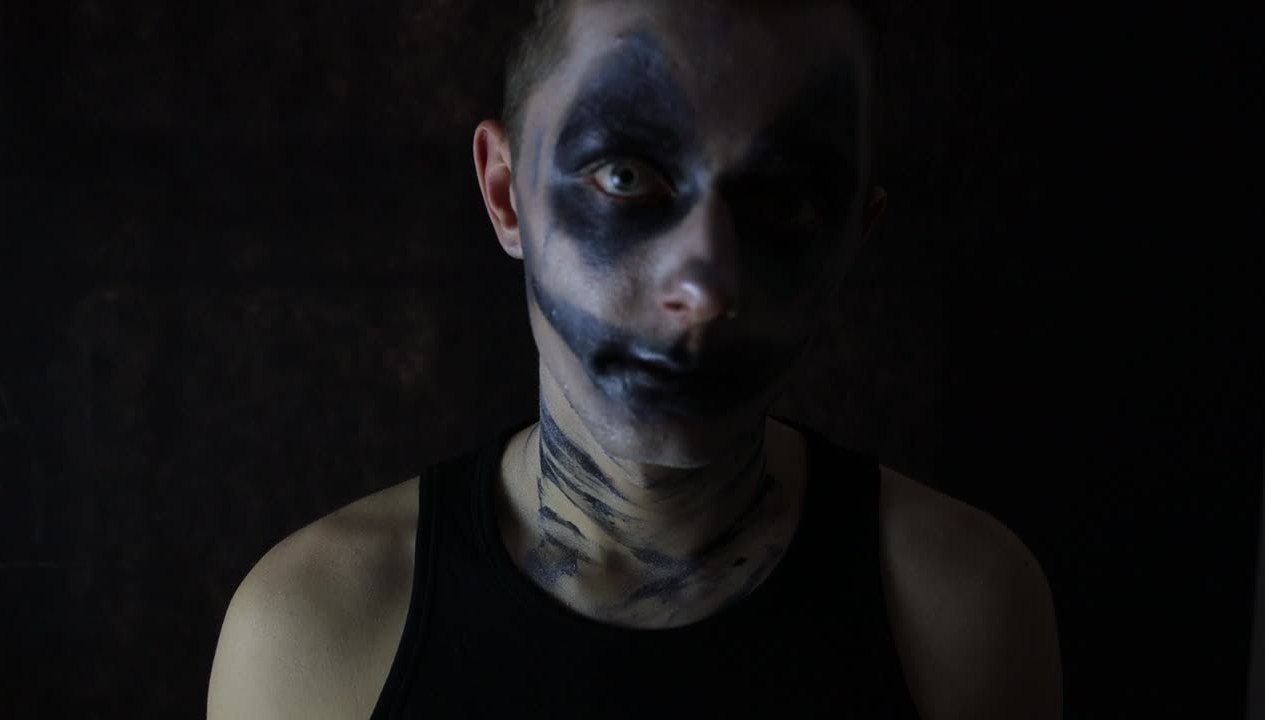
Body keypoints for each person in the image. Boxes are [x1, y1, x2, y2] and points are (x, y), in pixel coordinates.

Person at [208, 1, 1064, 717]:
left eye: (786, 199)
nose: (706, 284)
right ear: (506, 194)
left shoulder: (962, 607)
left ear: (853, 237)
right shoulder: (316, 629)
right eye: (625, 177)